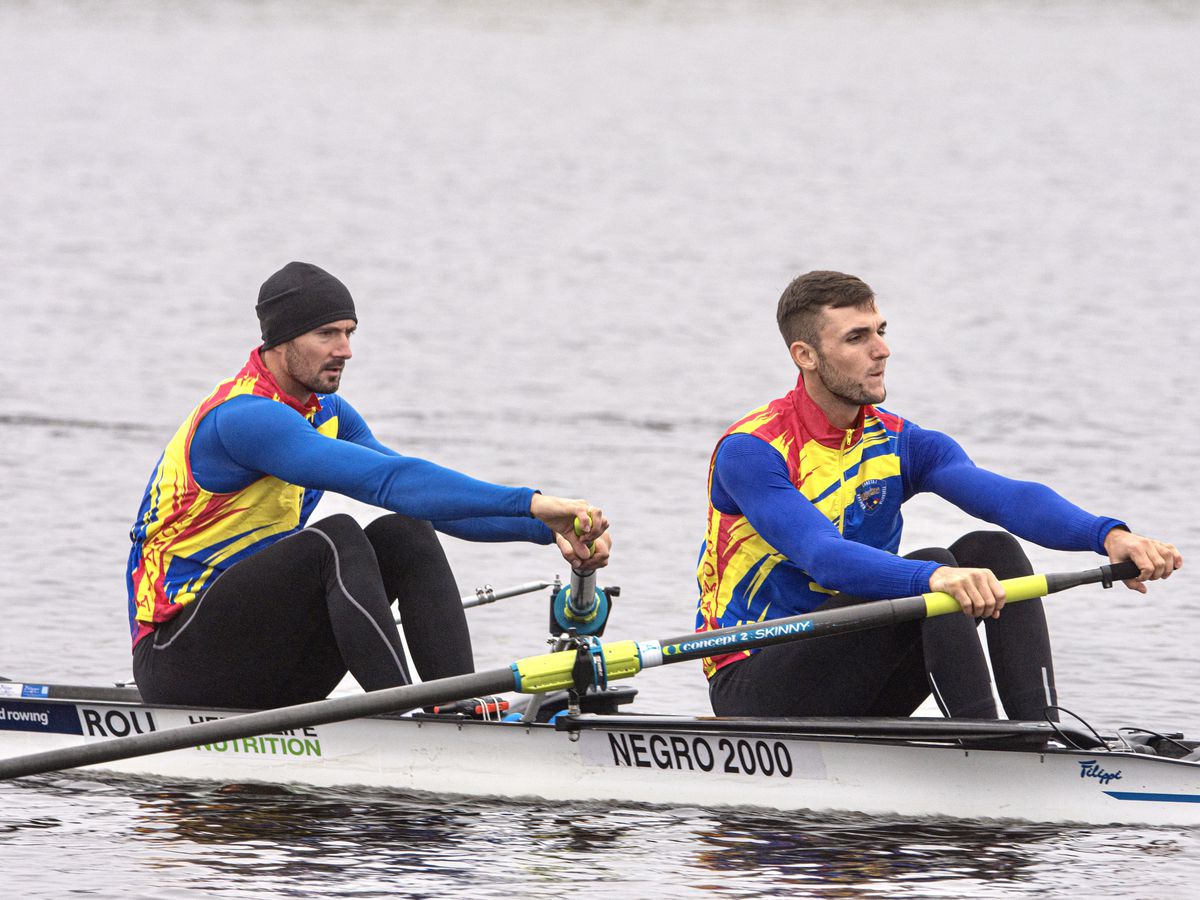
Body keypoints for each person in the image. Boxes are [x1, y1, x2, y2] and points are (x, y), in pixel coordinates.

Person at [696, 270, 1181, 720]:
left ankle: (1039, 731)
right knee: (934, 566)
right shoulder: (753, 451)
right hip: (755, 679)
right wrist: (933, 576)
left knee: (992, 550)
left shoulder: (902, 442)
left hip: (858, 662)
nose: (882, 350)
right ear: (806, 355)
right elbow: (824, 557)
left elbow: (1010, 499)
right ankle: (981, 740)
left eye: (881, 331)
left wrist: (1109, 536)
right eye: (857, 338)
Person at [127, 261, 610, 710]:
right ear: (281, 341)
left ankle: (456, 708)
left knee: (406, 530)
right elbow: (387, 481)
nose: (345, 350)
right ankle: (403, 717)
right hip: (177, 659)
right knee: (334, 539)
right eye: (327, 334)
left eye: (349, 333)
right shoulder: (243, 418)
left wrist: (547, 529)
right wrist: (530, 501)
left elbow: (424, 498)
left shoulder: (330, 414)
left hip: (266, 651)